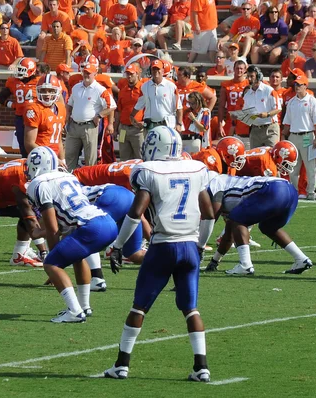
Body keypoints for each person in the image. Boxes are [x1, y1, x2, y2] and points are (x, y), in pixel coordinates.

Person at [103, 126, 214, 381]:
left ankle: (121, 364)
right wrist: (199, 245)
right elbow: (208, 214)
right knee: (191, 309)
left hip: (163, 245)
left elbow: (135, 212)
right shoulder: (195, 168)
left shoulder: (148, 171)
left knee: (139, 307)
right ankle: (201, 368)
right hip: (189, 246)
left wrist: (118, 246)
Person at [25, 146, 118, 322]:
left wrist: (54, 260)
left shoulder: (38, 184)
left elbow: (53, 228)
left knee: (51, 264)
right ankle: (84, 306)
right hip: (107, 222)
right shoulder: (68, 175)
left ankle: (75, 311)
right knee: (77, 256)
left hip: (90, 226)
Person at [203, 174, 313, 275]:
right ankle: (301, 259)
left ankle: (245, 265)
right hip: (290, 191)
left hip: (273, 189)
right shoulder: (226, 187)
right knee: (268, 227)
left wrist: (199, 246)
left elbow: (211, 217)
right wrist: (214, 261)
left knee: (238, 220)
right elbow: (228, 236)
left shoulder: (215, 184)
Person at [65, 62, 116, 170]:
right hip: (74, 125)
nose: (86, 75)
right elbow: (69, 104)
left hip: (89, 126)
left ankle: (89, 183)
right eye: (85, 72)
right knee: (69, 155)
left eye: (89, 73)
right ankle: (69, 179)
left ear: (95, 74)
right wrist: (67, 118)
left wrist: (99, 115)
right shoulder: (76, 87)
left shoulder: (100, 89)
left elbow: (112, 106)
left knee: (90, 159)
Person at [282, 71, 316, 200]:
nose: (297, 87)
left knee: (310, 166)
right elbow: (287, 123)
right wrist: (284, 138)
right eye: (295, 84)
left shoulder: (312, 101)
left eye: (299, 84)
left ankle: (311, 192)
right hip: (293, 136)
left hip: (307, 136)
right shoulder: (291, 102)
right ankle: (294, 192)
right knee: (293, 167)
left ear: (306, 86)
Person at [0, 57, 38, 156]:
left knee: (36, 144)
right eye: (18, 69)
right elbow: (1, 98)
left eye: (22, 70)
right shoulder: (13, 82)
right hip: (21, 117)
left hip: (36, 117)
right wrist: (13, 105)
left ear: (31, 70)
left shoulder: (39, 82)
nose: (19, 72)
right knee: (23, 145)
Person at [131, 59, 182, 134]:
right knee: (150, 145)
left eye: (158, 69)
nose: (156, 71)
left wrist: (179, 124)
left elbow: (179, 107)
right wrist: (132, 115)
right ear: (151, 71)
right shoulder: (145, 86)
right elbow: (140, 103)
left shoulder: (171, 86)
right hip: (150, 124)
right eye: (153, 69)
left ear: (163, 71)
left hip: (167, 123)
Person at [23, 73, 65, 157]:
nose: (47, 94)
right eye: (43, 90)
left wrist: (62, 159)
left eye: (50, 90)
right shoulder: (34, 109)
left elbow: (58, 140)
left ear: (57, 92)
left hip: (56, 158)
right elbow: (29, 143)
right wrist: (51, 158)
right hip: (40, 158)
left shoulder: (61, 108)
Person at [242, 65, 281, 149]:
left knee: (272, 156)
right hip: (255, 129)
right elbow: (246, 112)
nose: (249, 79)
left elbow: (278, 108)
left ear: (259, 76)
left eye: (251, 76)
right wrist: (239, 116)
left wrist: (267, 114)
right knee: (254, 157)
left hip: (270, 128)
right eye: (248, 76)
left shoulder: (269, 90)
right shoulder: (248, 94)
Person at [115, 63, 144, 160]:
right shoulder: (123, 91)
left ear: (137, 74)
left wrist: (144, 122)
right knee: (124, 158)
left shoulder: (143, 89)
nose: (129, 76)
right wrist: (115, 129)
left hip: (138, 130)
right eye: (128, 74)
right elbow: (119, 111)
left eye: (131, 74)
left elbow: (148, 108)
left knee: (140, 157)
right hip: (123, 129)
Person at [218, 60, 249, 138]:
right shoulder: (226, 85)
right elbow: (221, 106)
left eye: (241, 68)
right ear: (233, 69)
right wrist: (220, 123)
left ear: (245, 70)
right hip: (230, 119)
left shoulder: (249, 84)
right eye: (237, 68)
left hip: (245, 120)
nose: (239, 70)